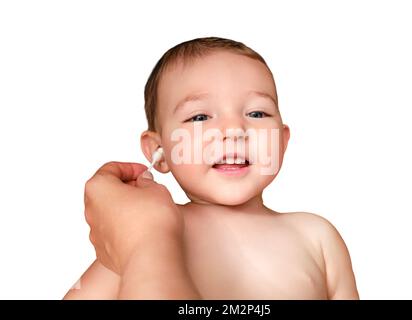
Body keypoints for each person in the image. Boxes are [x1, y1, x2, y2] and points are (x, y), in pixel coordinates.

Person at [63, 37, 359, 299]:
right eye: (200, 117)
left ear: (281, 141)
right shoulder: (150, 229)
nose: (233, 129)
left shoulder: (318, 238)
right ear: (159, 151)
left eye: (257, 113)